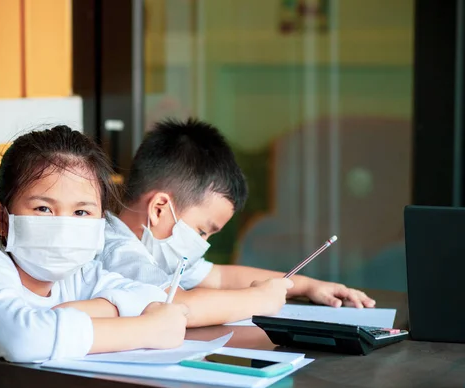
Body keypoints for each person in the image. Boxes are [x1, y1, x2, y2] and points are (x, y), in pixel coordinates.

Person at [0, 125, 188, 388]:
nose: (64, 227)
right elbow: (22, 339)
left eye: (81, 212)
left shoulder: (78, 273)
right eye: (43, 209)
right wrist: (147, 329)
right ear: (2, 218)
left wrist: (76, 310)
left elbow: (153, 297)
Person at [98, 118, 375, 327]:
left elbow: (220, 278)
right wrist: (260, 300)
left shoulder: (157, 247)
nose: (203, 243)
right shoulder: (115, 250)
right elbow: (177, 306)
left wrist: (306, 285)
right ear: (159, 207)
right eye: (202, 231)